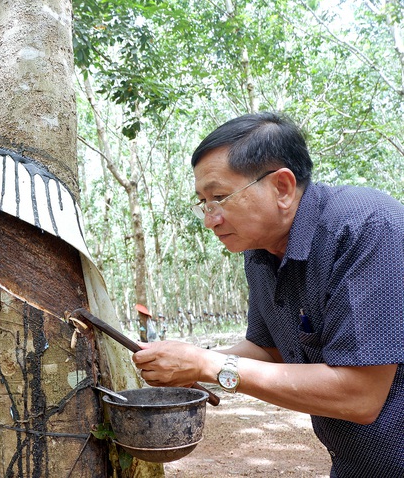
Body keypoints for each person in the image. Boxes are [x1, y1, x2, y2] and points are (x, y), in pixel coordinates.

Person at [132, 112, 404, 477]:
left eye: (220, 197)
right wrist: (191, 359)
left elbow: (360, 395)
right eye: (203, 203)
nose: (210, 219)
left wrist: (207, 365)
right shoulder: (259, 254)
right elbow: (269, 350)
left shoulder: (368, 229)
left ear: (282, 188)